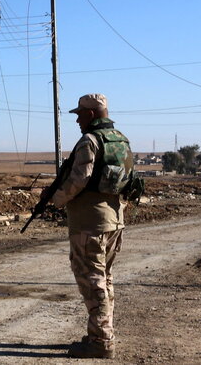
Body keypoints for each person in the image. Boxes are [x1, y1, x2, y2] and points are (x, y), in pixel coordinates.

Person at [48, 93, 133, 359]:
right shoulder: (120, 139)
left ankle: (101, 342)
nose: (77, 120)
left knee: (92, 280)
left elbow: (79, 179)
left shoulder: (90, 141)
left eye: (80, 114)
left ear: (92, 114)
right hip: (114, 221)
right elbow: (129, 182)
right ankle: (100, 331)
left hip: (89, 224)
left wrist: (55, 199)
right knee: (104, 279)